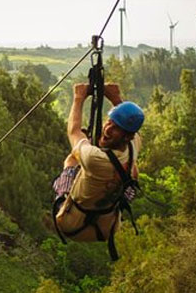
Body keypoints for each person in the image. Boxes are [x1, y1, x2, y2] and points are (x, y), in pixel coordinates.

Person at [51, 82, 144, 257]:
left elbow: (74, 131)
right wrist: (116, 98)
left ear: (127, 136)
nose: (108, 129)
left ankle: (64, 195)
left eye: (116, 129)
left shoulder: (94, 158)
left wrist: (78, 98)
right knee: (132, 173)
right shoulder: (134, 144)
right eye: (110, 122)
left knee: (71, 160)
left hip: (72, 223)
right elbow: (130, 127)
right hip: (106, 227)